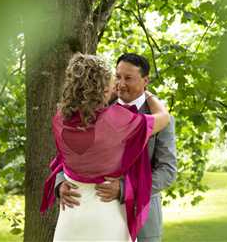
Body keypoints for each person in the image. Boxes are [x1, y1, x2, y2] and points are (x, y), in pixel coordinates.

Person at [40, 53, 170, 242]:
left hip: (73, 217)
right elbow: (163, 118)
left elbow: (167, 170)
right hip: (108, 215)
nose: (119, 84)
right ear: (102, 86)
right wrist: (60, 184)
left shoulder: (62, 119)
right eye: (115, 77)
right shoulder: (118, 119)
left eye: (128, 78)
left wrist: (125, 189)